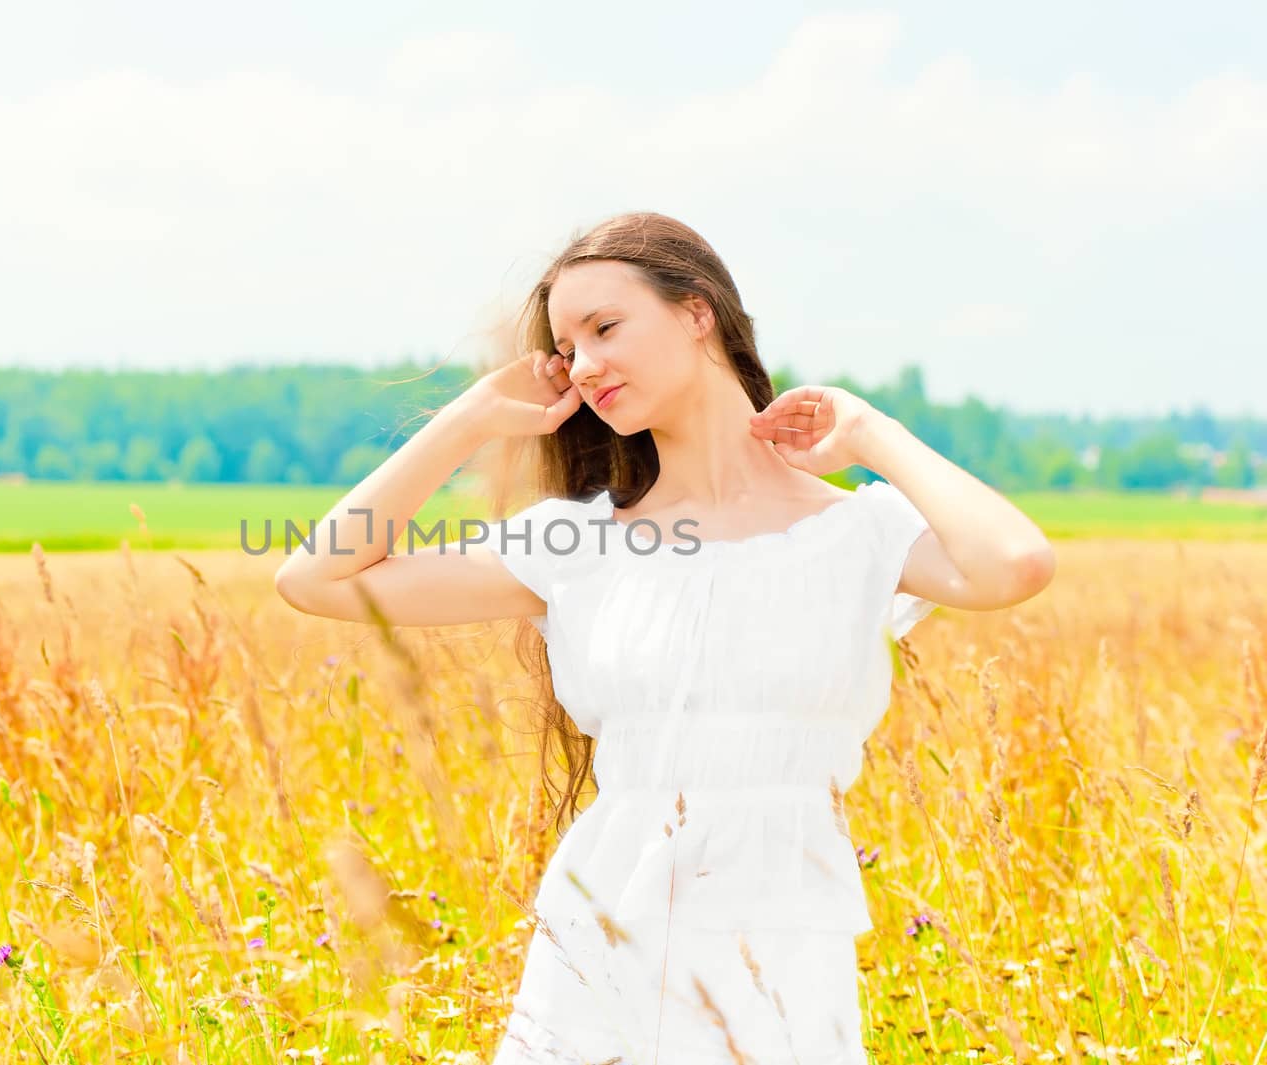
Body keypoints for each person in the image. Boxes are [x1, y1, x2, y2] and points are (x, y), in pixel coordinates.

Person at [274, 211, 1054, 1063]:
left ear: (697, 311)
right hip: (601, 934)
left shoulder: (856, 532)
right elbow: (316, 578)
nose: (585, 365)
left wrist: (872, 435)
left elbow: (1014, 563)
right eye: (568, 348)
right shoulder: (579, 544)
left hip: (783, 937)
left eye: (605, 327)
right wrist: (469, 420)